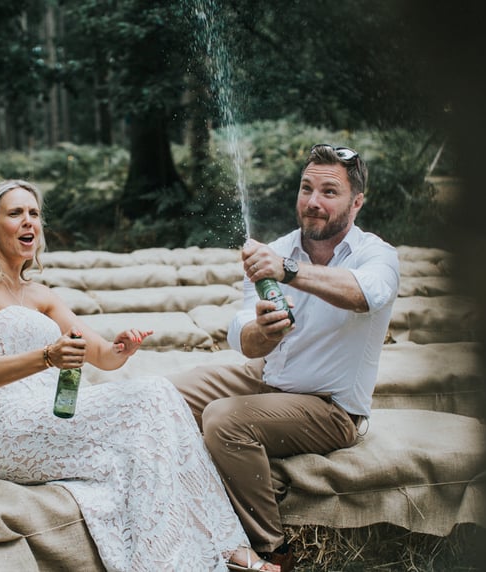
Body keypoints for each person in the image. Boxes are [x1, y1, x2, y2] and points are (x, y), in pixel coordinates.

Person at [0, 179, 280, 572]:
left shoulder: (41, 295)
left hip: (50, 415)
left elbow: (102, 356)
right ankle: (190, 558)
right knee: (149, 397)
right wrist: (47, 357)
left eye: (34, 213)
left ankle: (219, 547)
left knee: (158, 402)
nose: (28, 222)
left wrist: (121, 348)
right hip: (5, 428)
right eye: (15, 213)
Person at [169, 144, 400, 570]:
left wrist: (288, 272)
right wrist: (263, 332)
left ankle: (273, 550)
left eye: (329, 192)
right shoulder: (275, 251)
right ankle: (169, 510)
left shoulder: (376, 255)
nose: (313, 202)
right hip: (267, 380)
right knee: (163, 395)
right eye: (306, 188)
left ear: (357, 203)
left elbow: (366, 294)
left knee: (223, 420)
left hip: (330, 408)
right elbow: (245, 339)